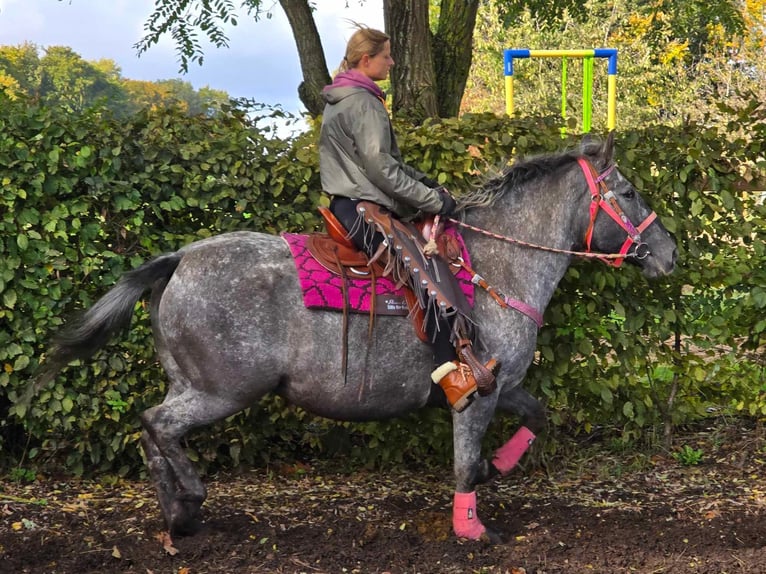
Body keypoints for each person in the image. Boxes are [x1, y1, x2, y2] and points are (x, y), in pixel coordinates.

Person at [318, 24, 496, 412]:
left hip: (352, 205)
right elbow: (381, 170)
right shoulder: (363, 102)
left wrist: (425, 183)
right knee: (428, 273)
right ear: (367, 60)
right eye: (386, 56)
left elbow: (389, 164)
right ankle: (449, 376)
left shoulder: (343, 97)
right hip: (364, 210)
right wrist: (434, 200)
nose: (393, 62)